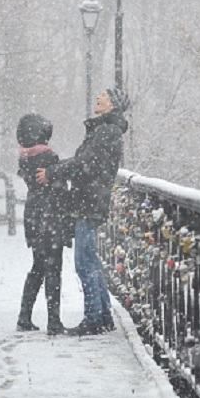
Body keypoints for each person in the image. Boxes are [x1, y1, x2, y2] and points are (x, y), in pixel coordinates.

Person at [37, 87, 130, 336]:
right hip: (89, 201)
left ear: (112, 105)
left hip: (88, 202)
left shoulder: (106, 132)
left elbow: (86, 164)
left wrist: (53, 172)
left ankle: (93, 319)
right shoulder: (105, 130)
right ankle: (103, 315)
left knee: (84, 263)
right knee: (91, 260)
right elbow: (87, 163)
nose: (98, 98)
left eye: (104, 96)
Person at [15, 113, 71, 336]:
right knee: (53, 268)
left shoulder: (25, 157)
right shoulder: (47, 157)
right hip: (50, 214)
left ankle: (24, 315)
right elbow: (58, 185)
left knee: (38, 266)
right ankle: (54, 320)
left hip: (34, 214)